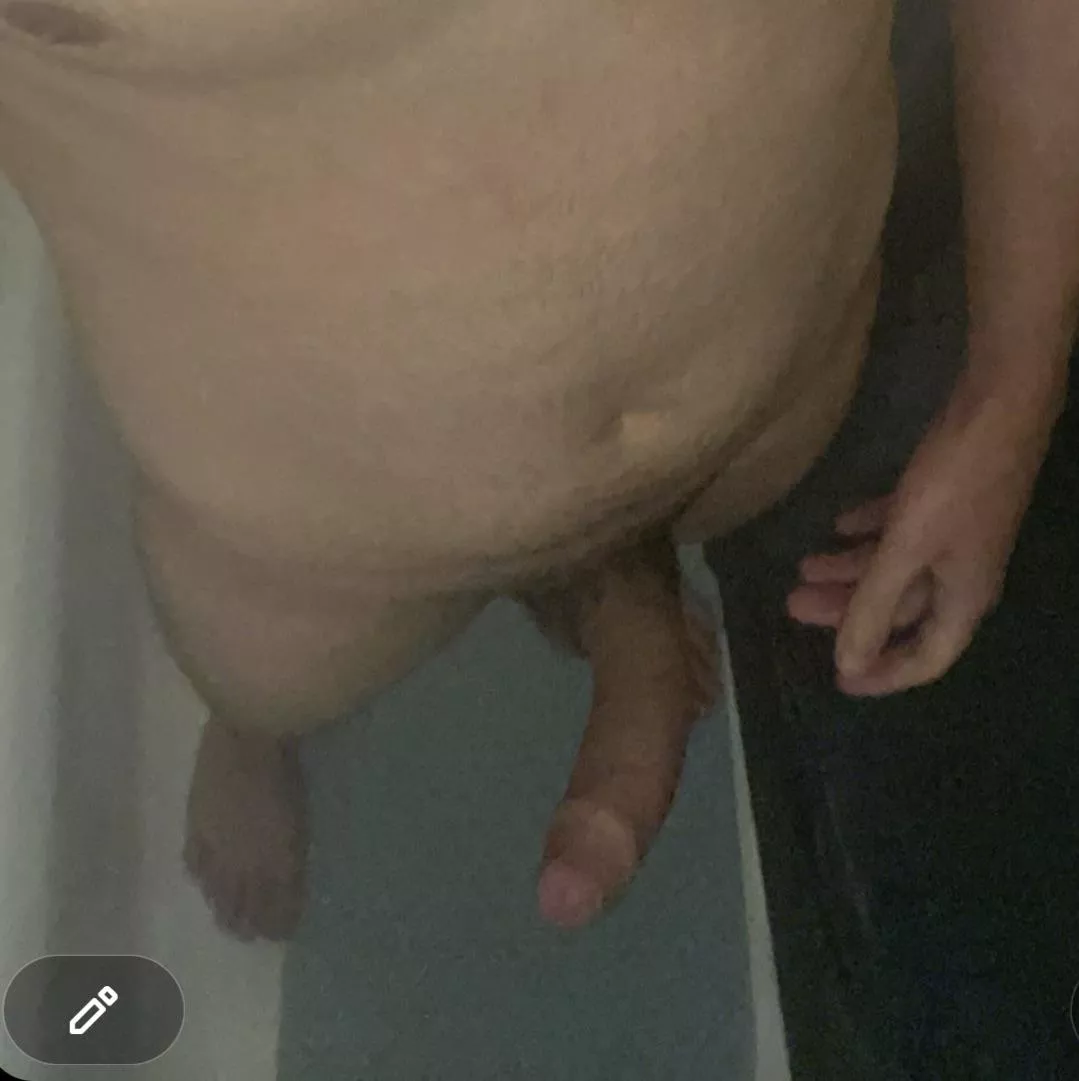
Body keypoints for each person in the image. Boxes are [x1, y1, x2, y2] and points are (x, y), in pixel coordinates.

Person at [0, 0, 1074, 968]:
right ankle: (255, 732)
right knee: (256, 683)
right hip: (317, 546)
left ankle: (615, 589)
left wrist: (1011, 385)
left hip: (768, 391)